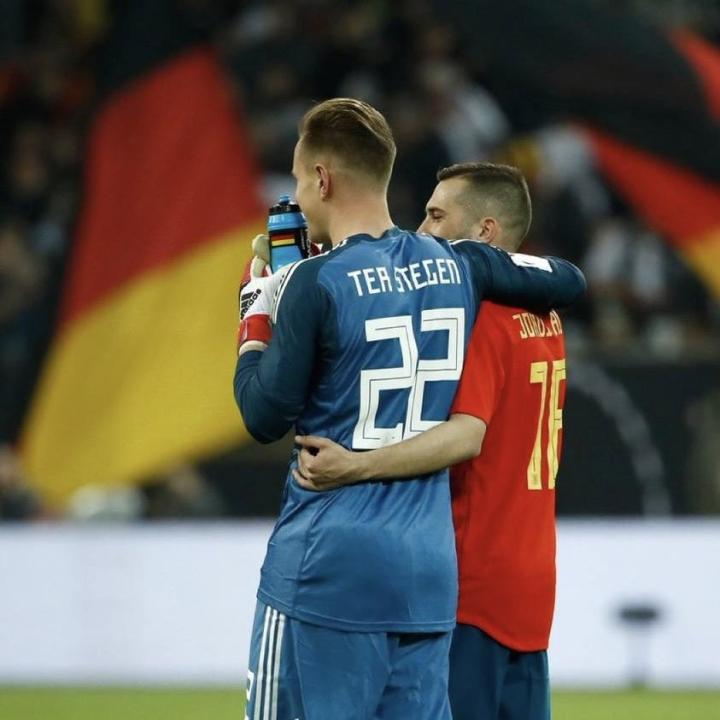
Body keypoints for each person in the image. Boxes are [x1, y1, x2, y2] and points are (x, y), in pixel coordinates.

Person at [234, 99, 584, 720]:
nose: (298, 194)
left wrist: (257, 314)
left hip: (328, 566)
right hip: (426, 574)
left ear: (322, 179)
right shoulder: (457, 266)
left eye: (297, 178)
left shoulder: (315, 282)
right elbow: (567, 279)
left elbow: (263, 415)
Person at [294, 161, 564, 720]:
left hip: (471, 582)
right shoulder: (547, 315)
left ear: (485, 232)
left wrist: (356, 465)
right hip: (531, 584)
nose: (421, 231)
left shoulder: (482, 314)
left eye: (436, 216)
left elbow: (467, 435)